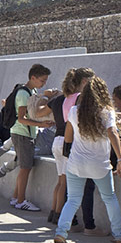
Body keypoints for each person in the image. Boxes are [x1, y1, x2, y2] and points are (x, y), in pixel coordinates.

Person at [54, 76, 121, 243]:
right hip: (99, 164)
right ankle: (119, 235)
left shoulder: (74, 111)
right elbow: (113, 133)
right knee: (109, 198)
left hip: (76, 163)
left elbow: (68, 137)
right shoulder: (107, 111)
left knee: (72, 200)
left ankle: (60, 233)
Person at [46, 68, 94, 229]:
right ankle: (62, 217)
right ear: (84, 82)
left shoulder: (61, 98)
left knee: (60, 181)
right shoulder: (79, 98)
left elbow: (39, 111)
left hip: (57, 141)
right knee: (66, 184)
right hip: (69, 141)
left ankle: (54, 213)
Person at [2, 63, 52, 211]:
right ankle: (21, 200)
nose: (44, 83)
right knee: (25, 168)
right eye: (42, 80)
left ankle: (16, 197)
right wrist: (40, 125)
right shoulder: (24, 94)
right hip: (22, 134)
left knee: (24, 166)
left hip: (24, 133)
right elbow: (22, 118)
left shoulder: (32, 91)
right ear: (33, 77)